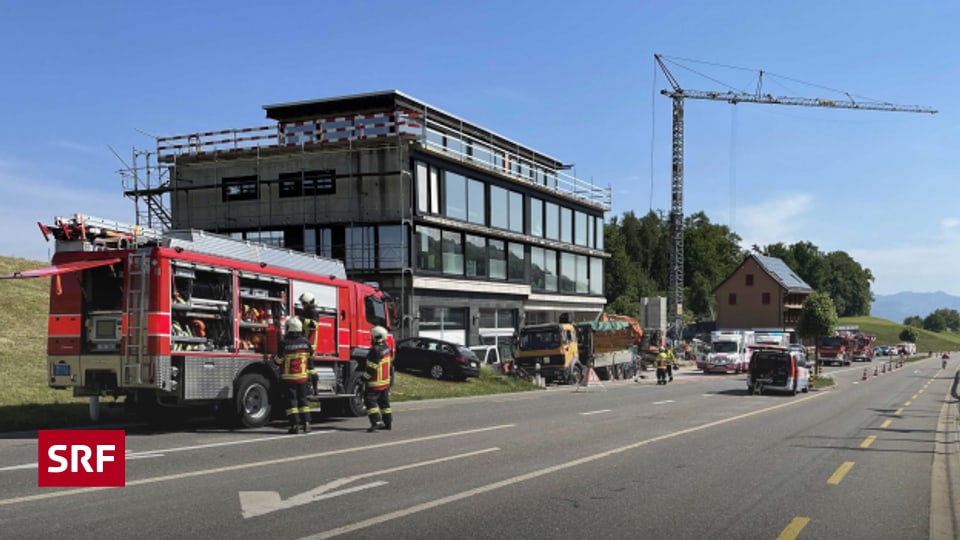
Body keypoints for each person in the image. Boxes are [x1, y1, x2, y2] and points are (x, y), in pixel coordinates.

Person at [275, 317, 314, 434]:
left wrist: (274, 360)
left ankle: (295, 426)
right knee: (303, 401)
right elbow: (311, 356)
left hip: (289, 378)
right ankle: (307, 424)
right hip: (302, 377)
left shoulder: (284, 343)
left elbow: (279, 360)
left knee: (291, 402)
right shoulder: (306, 342)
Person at [363, 326, 394, 432]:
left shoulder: (375, 350)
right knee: (384, 404)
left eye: (372, 336)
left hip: (375, 383)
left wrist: (364, 378)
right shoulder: (386, 347)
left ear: (377, 337)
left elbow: (371, 368)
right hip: (385, 382)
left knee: (369, 402)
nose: (371, 338)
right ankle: (388, 422)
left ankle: (376, 422)